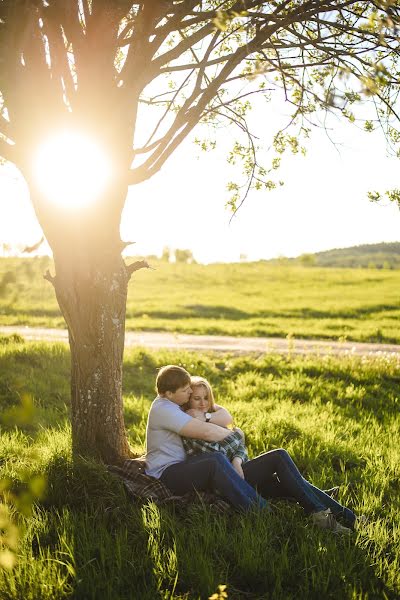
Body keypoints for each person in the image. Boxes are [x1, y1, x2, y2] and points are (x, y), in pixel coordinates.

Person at [145, 365, 357, 534]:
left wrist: (236, 454)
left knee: (279, 456)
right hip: (169, 473)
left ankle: (343, 516)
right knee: (216, 459)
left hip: (201, 467)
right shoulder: (165, 409)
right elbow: (209, 434)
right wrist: (237, 435)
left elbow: (222, 414)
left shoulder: (180, 405)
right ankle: (267, 516)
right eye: (185, 391)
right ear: (168, 393)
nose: (190, 391)